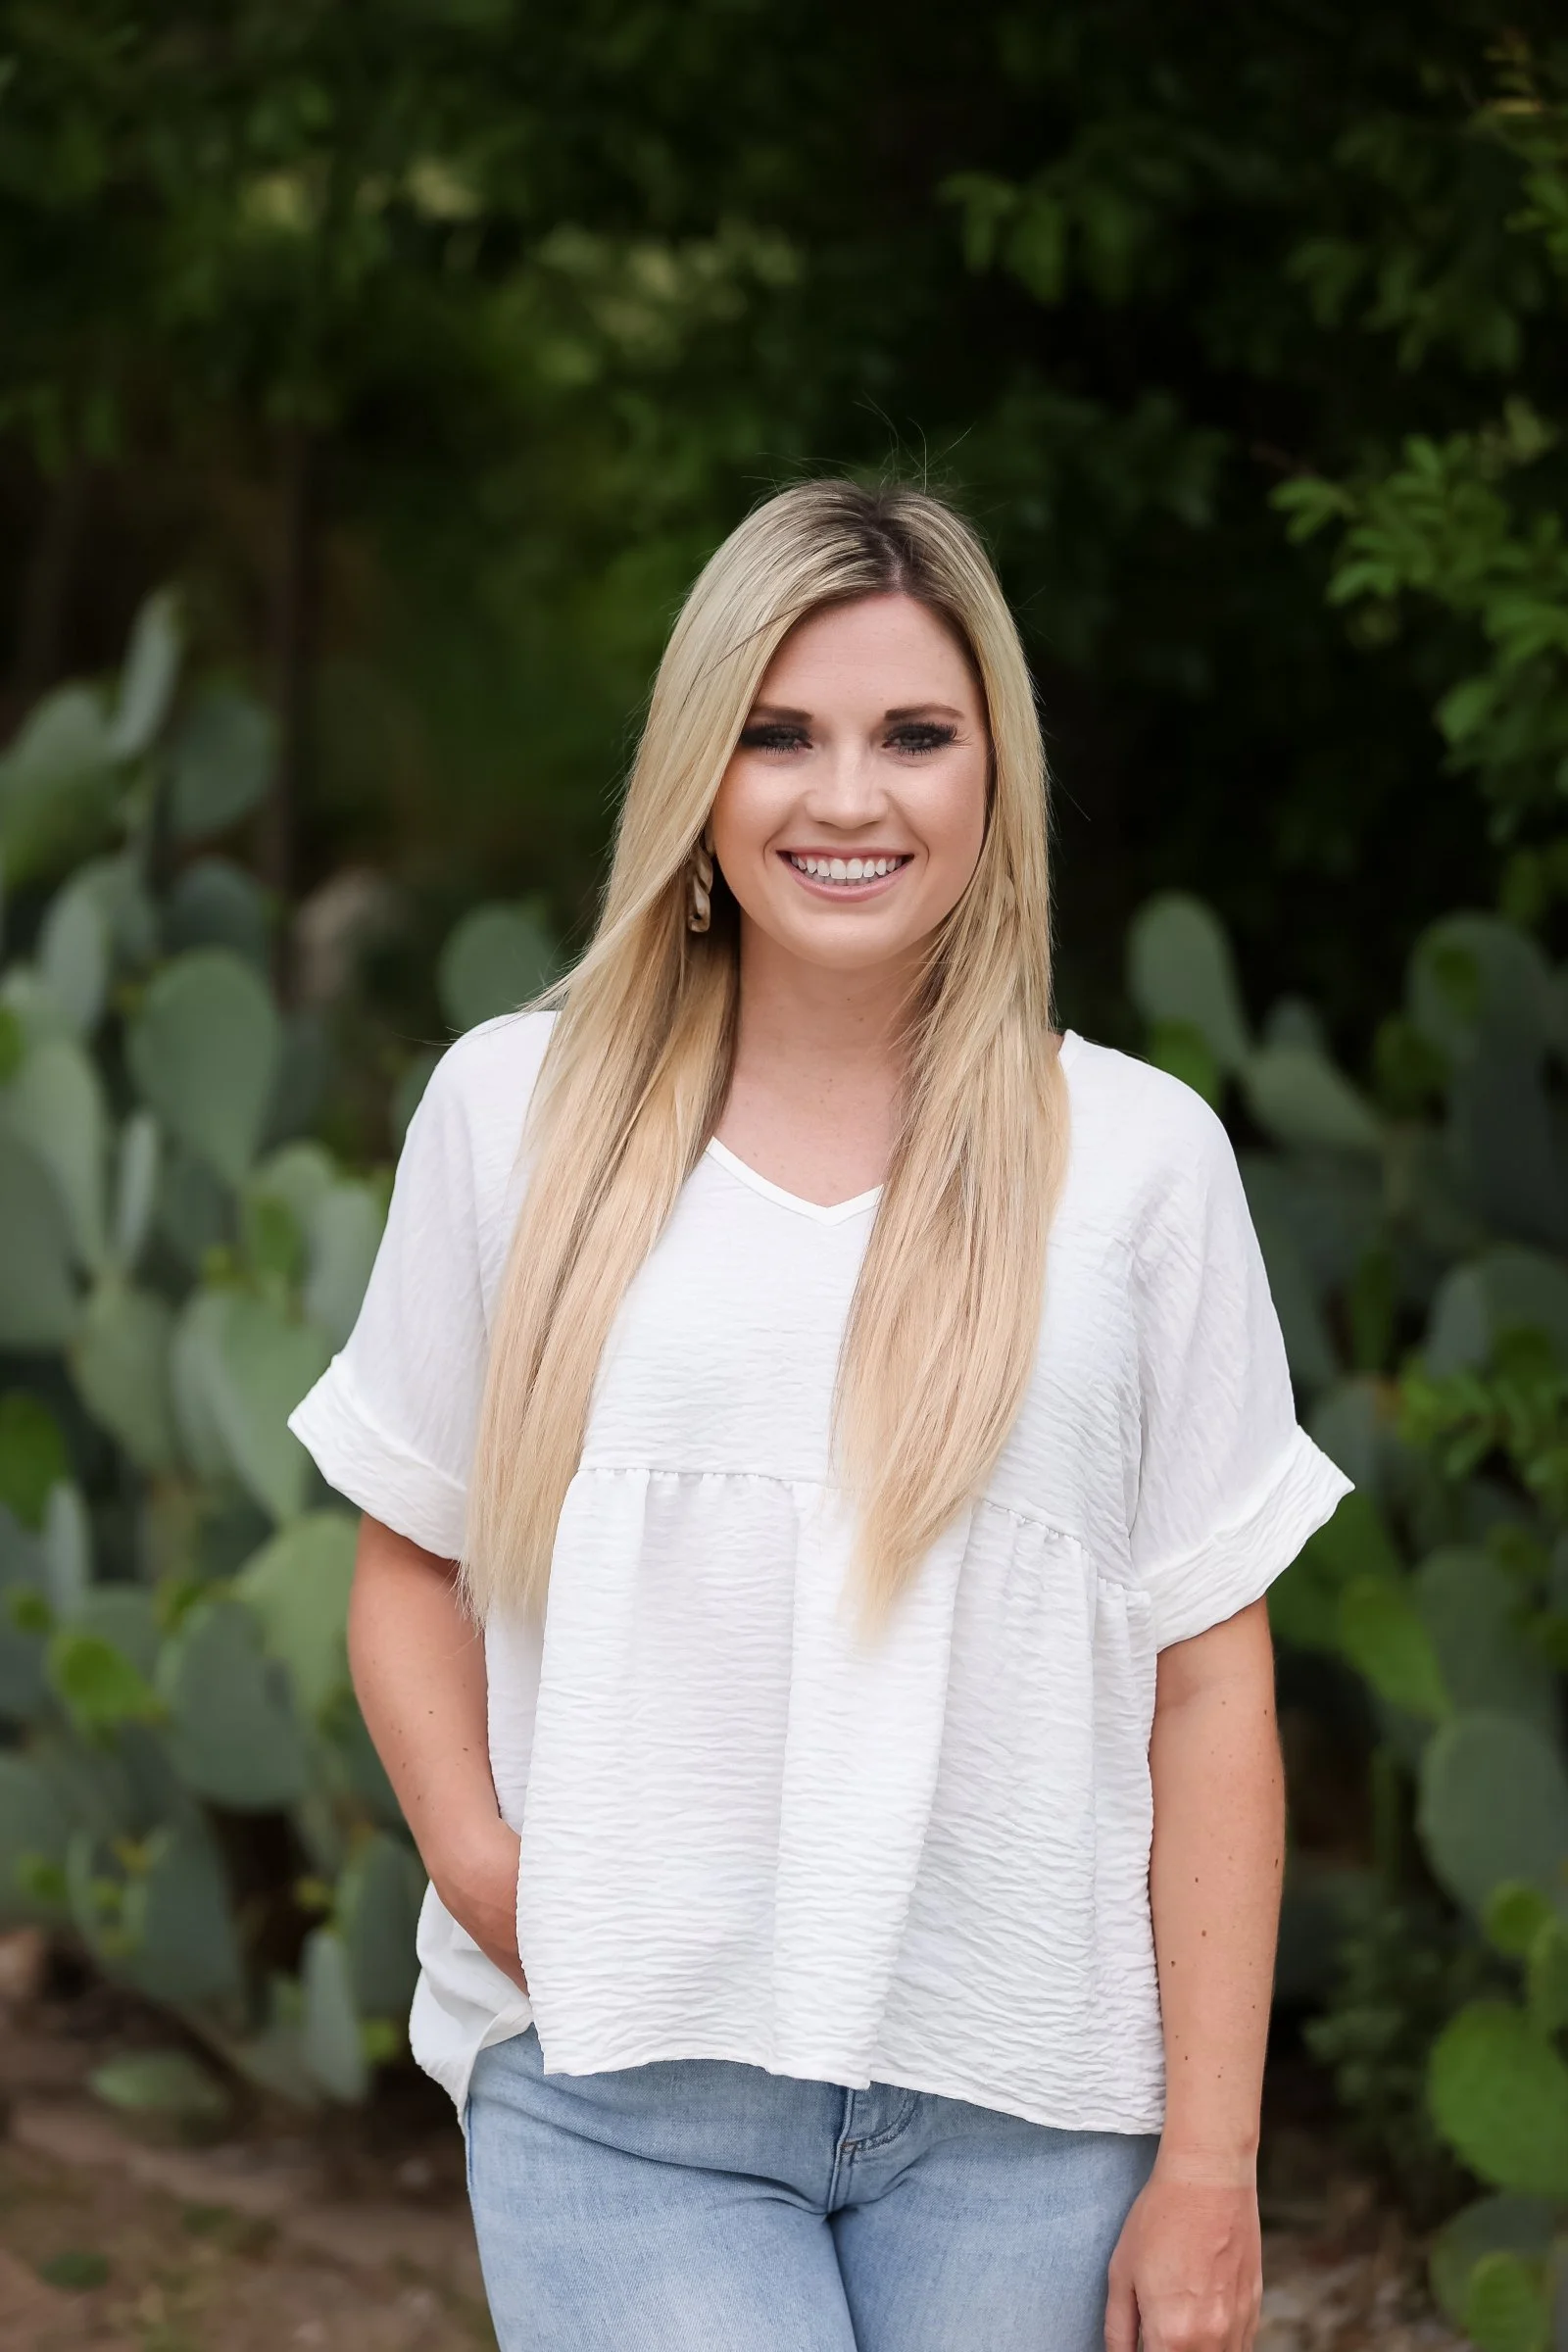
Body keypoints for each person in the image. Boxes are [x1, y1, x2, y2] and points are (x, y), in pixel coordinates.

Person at [287, 479, 1350, 2352]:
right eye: (780, 735)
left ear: (992, 778)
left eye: (912, 737)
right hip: (627, 2094)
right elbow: (404, 1565)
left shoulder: (1140, 1165)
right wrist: (495, 1879)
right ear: (700, 773)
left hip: (1027, 2107)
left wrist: (1213, 2163)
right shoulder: (511, 1115)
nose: (845, 798)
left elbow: (1211, 1685)